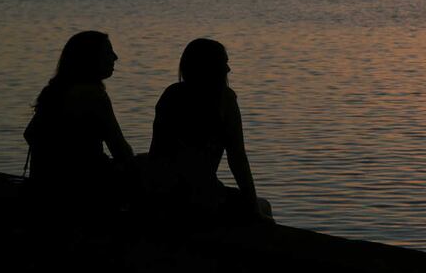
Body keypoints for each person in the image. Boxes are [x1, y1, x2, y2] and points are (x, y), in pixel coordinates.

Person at [147, 38, 273, 225]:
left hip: (164, 193)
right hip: (202, 198)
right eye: (224, 63)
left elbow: (156, 153)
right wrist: (254, 209)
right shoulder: (225, 101)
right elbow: (237, 158)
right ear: (210, 68)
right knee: (264, 206)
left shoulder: (171, 95)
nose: (228, 69)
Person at [24, 31, 134, 214]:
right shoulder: (93, 95)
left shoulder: (55, 91)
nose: (115, 57)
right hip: (82, 191)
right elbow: (121, 150)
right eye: (108, 52)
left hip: (44, 187)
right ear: (90, 58)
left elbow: (29, 134)